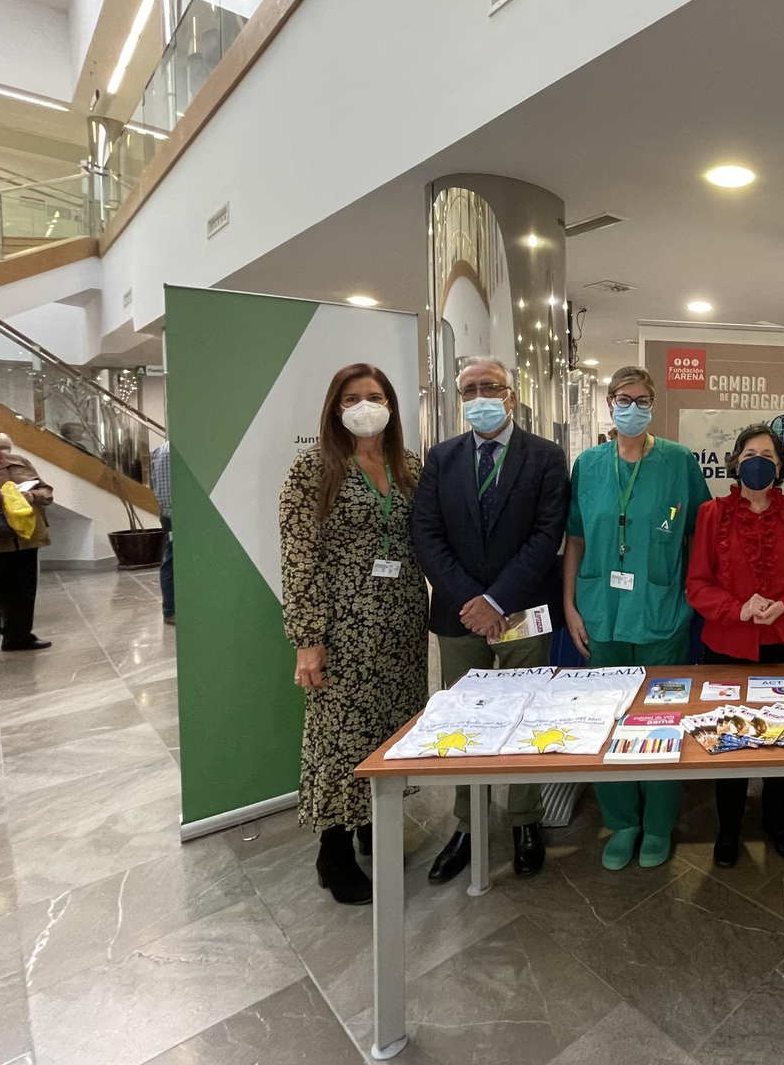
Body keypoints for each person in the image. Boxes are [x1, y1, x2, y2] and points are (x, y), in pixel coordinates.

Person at [412, 357, 570, 884]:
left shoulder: (546, 457)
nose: (480, 397)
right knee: (465, 720)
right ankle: (468, 823)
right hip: (459, 614)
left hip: (524, 610)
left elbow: (546, 535)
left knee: (528, 713)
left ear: (511, 395)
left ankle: (525, 818)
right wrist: (472, 602)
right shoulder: (441, 459)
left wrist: (497, 601)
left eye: (490, 387)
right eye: (470, 390)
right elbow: (426, 534)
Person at [280, 364, 428, 905]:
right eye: (351, 398)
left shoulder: (408, 466)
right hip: (343, 627)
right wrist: (307, 638)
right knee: (340, 737)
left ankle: (372, 825)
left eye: (376, 396)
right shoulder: (313, 468)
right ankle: (334, 849)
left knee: (392, 727)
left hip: (403, 623)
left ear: (390, 405)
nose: (365, 406)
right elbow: (298, 557)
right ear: (335, 408)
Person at [563, 366, 711, 870]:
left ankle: (658, 824)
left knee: (661, 718)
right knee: (610, 719)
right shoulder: (588, 464)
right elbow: (576, 539)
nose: (632, 407)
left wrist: (691, 595)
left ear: (653, 405)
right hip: (601, 612)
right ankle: (622, 820)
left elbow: (697, 534)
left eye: (642, 399)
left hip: (661, 610)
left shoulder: (679, 461)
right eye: (623, 399)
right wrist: (570, 604)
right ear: (609, 404)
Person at [686, 423, 784, 867]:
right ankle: (728, 827)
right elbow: (697, 585)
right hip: (727, 645)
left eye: (768, 455)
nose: (758, 462)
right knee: (728, 737)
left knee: (782, 736)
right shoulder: (712, 514)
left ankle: (776, 820)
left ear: (782, 465)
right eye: (750, 454)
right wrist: (738, 609)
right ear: (735, 462)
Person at [0, 413, 53, 665]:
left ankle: (18, 637)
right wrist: (1, 496)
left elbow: (46, 490)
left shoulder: (18, 462)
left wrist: (32, 496)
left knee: (23, 592)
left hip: (24, 537)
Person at [150, 440, 175, 624]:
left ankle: (171, 609)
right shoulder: (174, 452)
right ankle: (170, 610)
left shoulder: (159, 451)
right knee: (171, 562)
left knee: (171, 560)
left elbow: (154, 486)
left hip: (167, 515)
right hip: (178, 516)